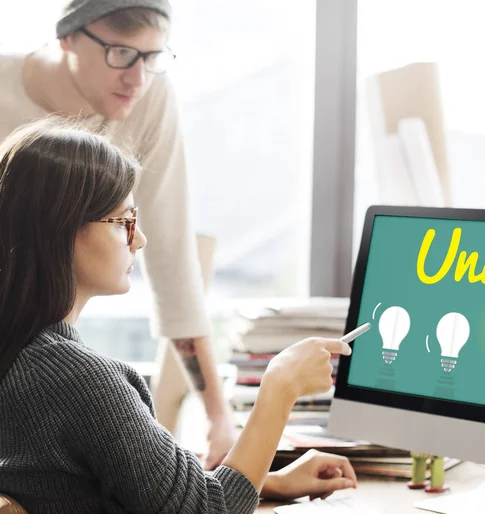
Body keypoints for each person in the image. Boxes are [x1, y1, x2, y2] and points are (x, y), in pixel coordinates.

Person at [0, 118, 356, 513]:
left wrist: (265, 482)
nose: (140, 239)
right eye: (124, 222)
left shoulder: (23, 357)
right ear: (61, 231)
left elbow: (99, 488)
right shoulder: (78, 380)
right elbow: (208, 510)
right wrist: (280, 387)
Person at [0, 0, 236, 468]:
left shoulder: (150, 94)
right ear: (67, 37)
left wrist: (218, 418)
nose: (138, 78)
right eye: (121, 53)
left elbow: (170, 256)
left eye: (153, 57)